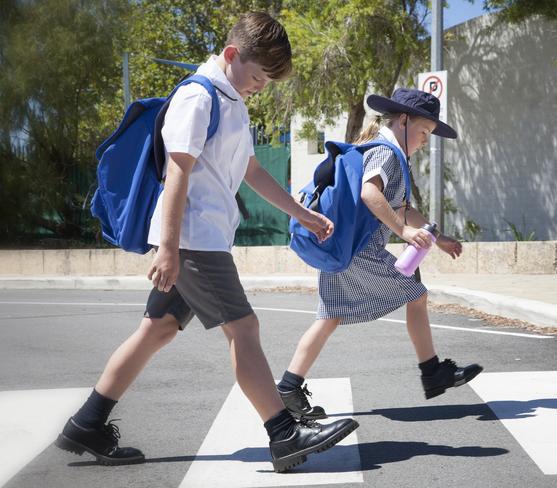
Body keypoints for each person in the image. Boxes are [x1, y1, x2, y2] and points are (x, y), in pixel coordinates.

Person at [55, 12, 358, 473]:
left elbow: (250, 171)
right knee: (244, 329)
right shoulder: (198, 98)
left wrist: (303, 214)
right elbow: (178, 172)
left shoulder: (231, 98)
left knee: (155, 331)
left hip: (201, 238)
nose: (260, 85)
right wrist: (170, 249)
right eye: (258, 75)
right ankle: (284, 434)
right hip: (194, 241)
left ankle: (87, 422)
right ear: (233, 55)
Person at [277, 89, 483, 420]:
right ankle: (432, 373)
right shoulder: (386, 152)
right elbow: (369, 192)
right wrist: (402, 232)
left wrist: (438, 237)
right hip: (360, 251)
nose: (423, 141)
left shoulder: (388, 153)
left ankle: (288, 387)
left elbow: (402, 208)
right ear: (402, 120)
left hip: (343, 249)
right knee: (416, 294)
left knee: (329, 317)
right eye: (422, 132)